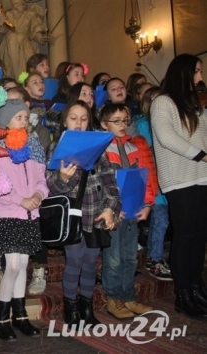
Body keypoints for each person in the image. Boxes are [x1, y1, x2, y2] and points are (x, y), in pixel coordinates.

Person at [46, 100, 121, 328]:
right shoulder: (56, 149)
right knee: (75, 263)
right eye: (73, 118)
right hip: (73, 218)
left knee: (90, 263)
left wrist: (110, 209)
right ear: (64, 121)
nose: (78, 123)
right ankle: (71, 307)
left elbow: (112, 186)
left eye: (84, 118)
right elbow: (53, 188)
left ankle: (86, 308)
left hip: (96, 215)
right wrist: (65, 177)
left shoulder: (100, 151)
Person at [0, 98, 48, 340]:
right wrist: (20, 199)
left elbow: (42, 178)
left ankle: (21, 316)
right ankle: (1, 317)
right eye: (18, 117)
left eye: (25, 116)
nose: (24, 121)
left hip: (30, 213)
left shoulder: (32, 146)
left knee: (23, 265)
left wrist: (39, 194)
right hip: (10, 212)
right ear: (4, 121)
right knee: (11, 266)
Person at [150, 54, 207, 319]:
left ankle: (197, 288)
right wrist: (200, 154)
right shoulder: (162, 102)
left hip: (202, 177)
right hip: (179, 180)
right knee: (184, 238)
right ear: (182, 72)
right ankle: (183, 295)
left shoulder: (196, 105)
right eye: (196, 72)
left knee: (199, 237)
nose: (200, 77)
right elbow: (166, 136)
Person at [100, 102, 157, 319]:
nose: (123, 125)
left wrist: (148, 204)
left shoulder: (134, 147)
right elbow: (102, 183)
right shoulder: (102, 149)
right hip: (114, 212)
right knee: (113, 257)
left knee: (130, 257)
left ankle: (128, 297)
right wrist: (111, 208)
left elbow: (143, 180)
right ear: (105, 124)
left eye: (125, 120)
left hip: (133, 210)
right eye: (117, 121)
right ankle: (114, 299)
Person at [133, 86, 172, 281]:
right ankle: (154, 259)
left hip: (170, 178)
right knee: (161, 219)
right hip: (152, 180)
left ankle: (157, 255)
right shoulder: (141, 125)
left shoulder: (171, 123)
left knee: (165, 222)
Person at [0, 0, 48, 79]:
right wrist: (1, 23)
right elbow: (4, 30)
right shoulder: (8, 14)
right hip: (12, 39)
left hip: (25, 39)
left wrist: (40, 38)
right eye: (14, 3)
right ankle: (17, 79)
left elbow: (34, 30)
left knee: (32, 61)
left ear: (22, 2)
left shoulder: (30, 14)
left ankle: (30, 80)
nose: (16, 5)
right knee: (12, 39)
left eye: (17, 3)